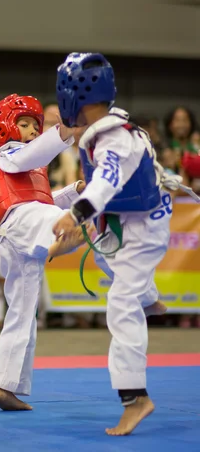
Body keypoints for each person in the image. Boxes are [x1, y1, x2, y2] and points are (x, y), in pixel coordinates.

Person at [54, 52, 184, 436]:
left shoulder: (113, 142)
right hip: (128, 223)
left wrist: (75, 215)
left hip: (143, 229)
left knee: (120, 304)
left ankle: (135, 397)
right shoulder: (111, 127)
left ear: (73, 98)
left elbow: (105, 184)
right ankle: (149, 296)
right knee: (107, 261)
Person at [0, 94, 87, 411]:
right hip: (18, 220)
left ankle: (4, 385)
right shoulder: (7, 157)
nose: (30, 130)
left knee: (23, 312)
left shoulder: (31, 167)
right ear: (4, 129)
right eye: (23, 124)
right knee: (52, 221)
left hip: (21, 234)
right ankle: (68, 234)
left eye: (34, 126)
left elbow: (45, 201)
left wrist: (73, 190)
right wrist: (65, 131)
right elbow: (35, 159)